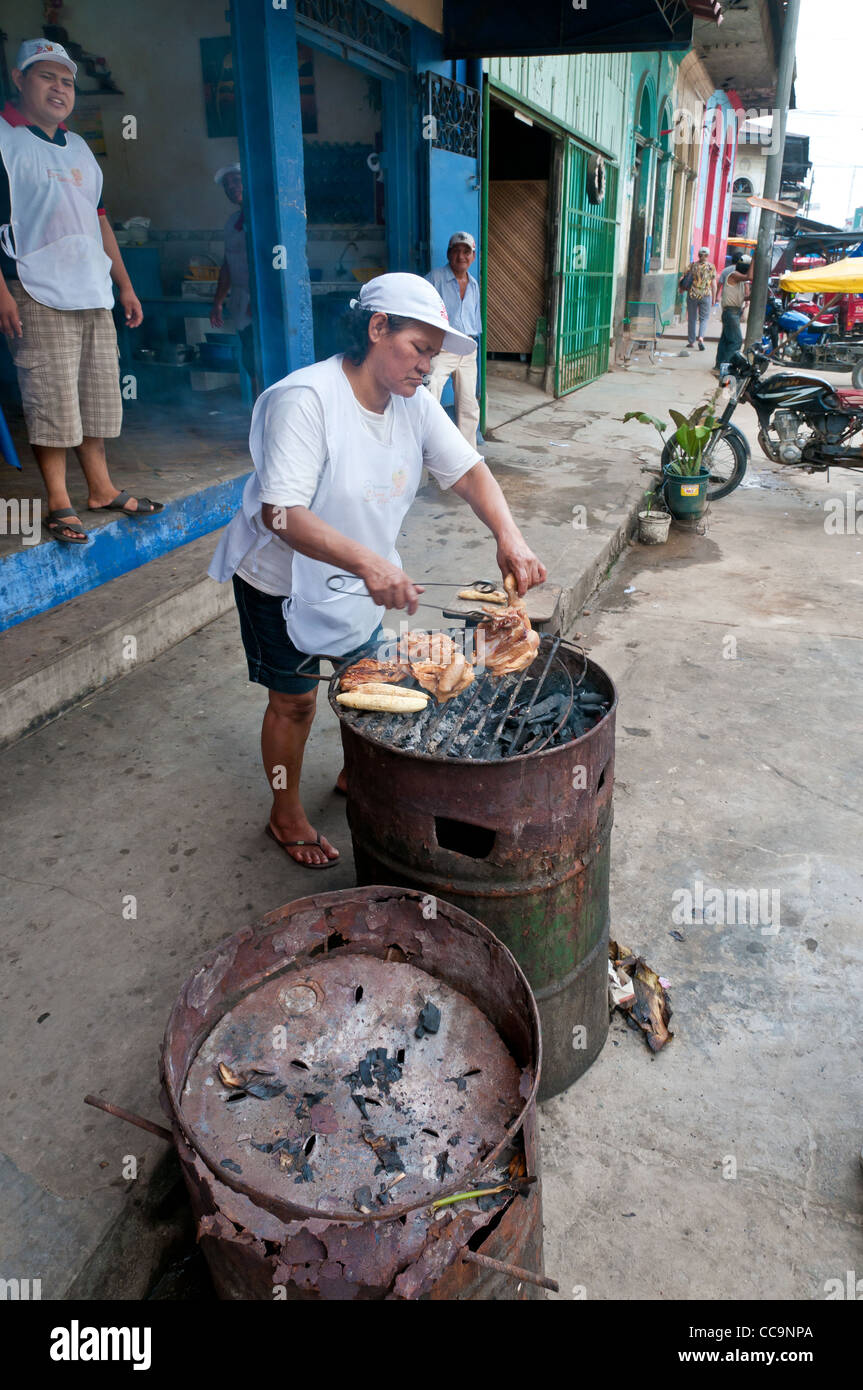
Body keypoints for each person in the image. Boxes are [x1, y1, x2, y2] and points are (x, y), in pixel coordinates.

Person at [209, 272, 546, 868]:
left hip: (361, 576)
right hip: (280, 583)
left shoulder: (413, 404)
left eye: (433, 357)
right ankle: (284, 815)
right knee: (295, 703)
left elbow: (468, 471)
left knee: (372, 681)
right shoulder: (306, 400)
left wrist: (509, 536)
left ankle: (352, 774)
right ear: (376, 327)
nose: (426, 368)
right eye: (419, 349)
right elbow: (281, 515)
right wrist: (371, 565)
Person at [0, 39, 161, 544]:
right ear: (18, 79)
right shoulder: (4, 140)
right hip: (33, 286)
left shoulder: (80, 147)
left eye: (67, 81)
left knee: (95, 397)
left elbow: (98, 218)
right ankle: (59, 501)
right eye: (46, 76)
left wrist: (125, 284)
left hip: (92, 290)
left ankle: (100, 488)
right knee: (51, 399)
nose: (59, 88)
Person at [425, 231, 481, 444]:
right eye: (456, 251)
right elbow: (422, 313)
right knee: (429, 400)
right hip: (442, 349)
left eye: (466, 252)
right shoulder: (434, 278)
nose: (461, 257)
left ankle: (468, 462)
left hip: (467, 350)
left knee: (469, 407)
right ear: (448, 254)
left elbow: (474, 321)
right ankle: (424, 460)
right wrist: (429, 344)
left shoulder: (474, 284)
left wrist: (473, 348)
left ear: (473, 256)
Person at [210, 163, 257, 396]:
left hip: (260, 302)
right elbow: (228, 264)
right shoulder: (232, 223)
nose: (231, 188)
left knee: (263, 358)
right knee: (250, 357)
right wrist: (218, 301)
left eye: (236, 181)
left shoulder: (263, 218)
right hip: (240, 298)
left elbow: (269, 264)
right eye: (227, 185)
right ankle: (259, 411)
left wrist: (257, 301)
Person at [715, 254, 752, 373]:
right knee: (736, 341)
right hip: (731, 313)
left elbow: (741, 297)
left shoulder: (739, 281)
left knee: (725, 340)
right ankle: (726, 368)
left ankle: (719, 365)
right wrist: (755, 258)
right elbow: (750, 276)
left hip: (732, 312)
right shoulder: (734, 275)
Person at [681, 246, 718, 351]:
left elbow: (683, 278)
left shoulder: (692, 266)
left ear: (698, 255)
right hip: (706, 295)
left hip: (692, 295)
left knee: (692, 318)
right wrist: (714, 299)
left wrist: (681, 289)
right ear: (708, 256)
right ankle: (701, 337)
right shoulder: (711, 267)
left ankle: (691, 341)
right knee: (704, 319)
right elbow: (714, 285)